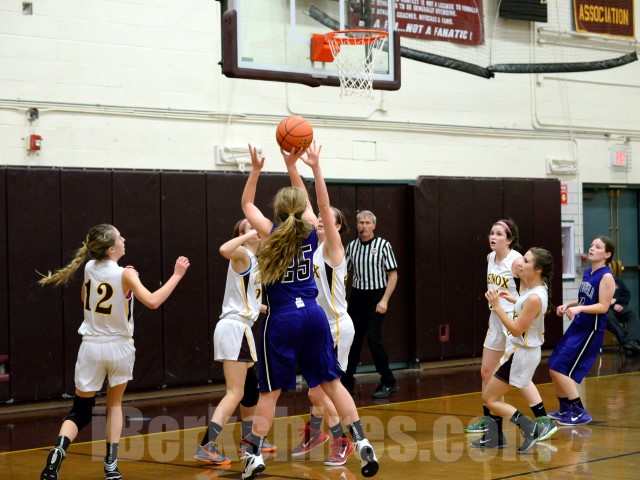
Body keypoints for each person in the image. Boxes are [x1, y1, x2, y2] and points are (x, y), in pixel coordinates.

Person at [239, 144, 378, 480]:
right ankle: (360, 439)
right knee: (333, 384)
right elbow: (321, 206)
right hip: (314, 316)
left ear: (277, 211)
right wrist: (310, 168)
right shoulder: (312, 232)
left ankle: (254, 454)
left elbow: (246, 205)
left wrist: (256, 170)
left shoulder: (269, 233)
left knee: (270, 393)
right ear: (304, 210)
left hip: (282, 318)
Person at [38, 224, 190, 480]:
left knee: (79, 411)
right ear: (111, 249)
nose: (124, 239)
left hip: (91, 347)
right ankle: (111, 466)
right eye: (120, 237)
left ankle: (58, 451)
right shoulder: (125, 274)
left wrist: (124, 283)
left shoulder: (89, 267)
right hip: (119, 347)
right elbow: (153, 301)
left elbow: (86, 298)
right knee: (115, 405)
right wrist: (176, 275)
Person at [286, 144, 356, 466]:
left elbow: (322, 206)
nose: (319, 221)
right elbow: (305, 203)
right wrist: (291, 166)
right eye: (317, 220)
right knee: (315, 390)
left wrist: (315, 168)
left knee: (321, 390)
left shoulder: (333, 250)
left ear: (336, 227)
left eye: (326, 221)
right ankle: (320, 432)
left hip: (336, 326)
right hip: (317, 325)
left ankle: (343, 440)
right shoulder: (311, 246)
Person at [193, 219, 276, 466]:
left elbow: (250, 300)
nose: (257, 230)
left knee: (251, 388)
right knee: (235, 392)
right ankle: (206, 444)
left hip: (242, 328)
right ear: (243, 234)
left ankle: (248, 440)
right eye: (250, 228)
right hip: (234, 328)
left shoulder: (255, 260)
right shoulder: (241, 254)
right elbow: (224, 249)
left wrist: (268, 309)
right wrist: (247, 234)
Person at [466, 219, 555, 439]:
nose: (492, 237)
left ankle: (542, 418)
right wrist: (494, 312)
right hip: (497, 318)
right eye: (491, 233)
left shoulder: (516, 261)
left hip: (513, 320)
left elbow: (528, 287)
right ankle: (491, 423)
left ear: (509, 239)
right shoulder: (490, 258)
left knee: (515, 373)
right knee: (487, 372)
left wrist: (516, 305)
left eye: (498, 234)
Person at [548, 235, 616, 426]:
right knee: (553, 365)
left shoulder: (606, 276)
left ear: (607, 254)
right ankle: (565, 409)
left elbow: (603, 306)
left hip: (590, 330)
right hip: (578, 326)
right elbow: (585, 299)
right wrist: (568, 305)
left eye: (598, 247)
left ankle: (579, 411)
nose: (592, 248)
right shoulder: (588, 272)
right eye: (592, 245)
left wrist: (579, 309)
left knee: (561, 369)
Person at [340, 210, 398, 399]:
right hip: (358, 296)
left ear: (374, 225)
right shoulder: (351, 247)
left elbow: (393, 275)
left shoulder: (383, 245)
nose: (364, 226)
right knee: (352, 339)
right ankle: (347, 380)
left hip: (377, 296)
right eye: (361, 223)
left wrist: (384, 300)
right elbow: (344, 274)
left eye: (367, 223)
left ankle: (389, 381)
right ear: (356, 225)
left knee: (373, 338)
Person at [606, 263, 640, 356]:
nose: (609, 270)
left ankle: (631, 341)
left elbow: (626, 295)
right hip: (606, 310)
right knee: (608, 317)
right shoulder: (599, 283)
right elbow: (597, 300)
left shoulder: (618, 281)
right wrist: (612, 305)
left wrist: (619, 303)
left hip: (619, 308)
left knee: (632, 314)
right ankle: (628, 343)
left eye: (610, 268)